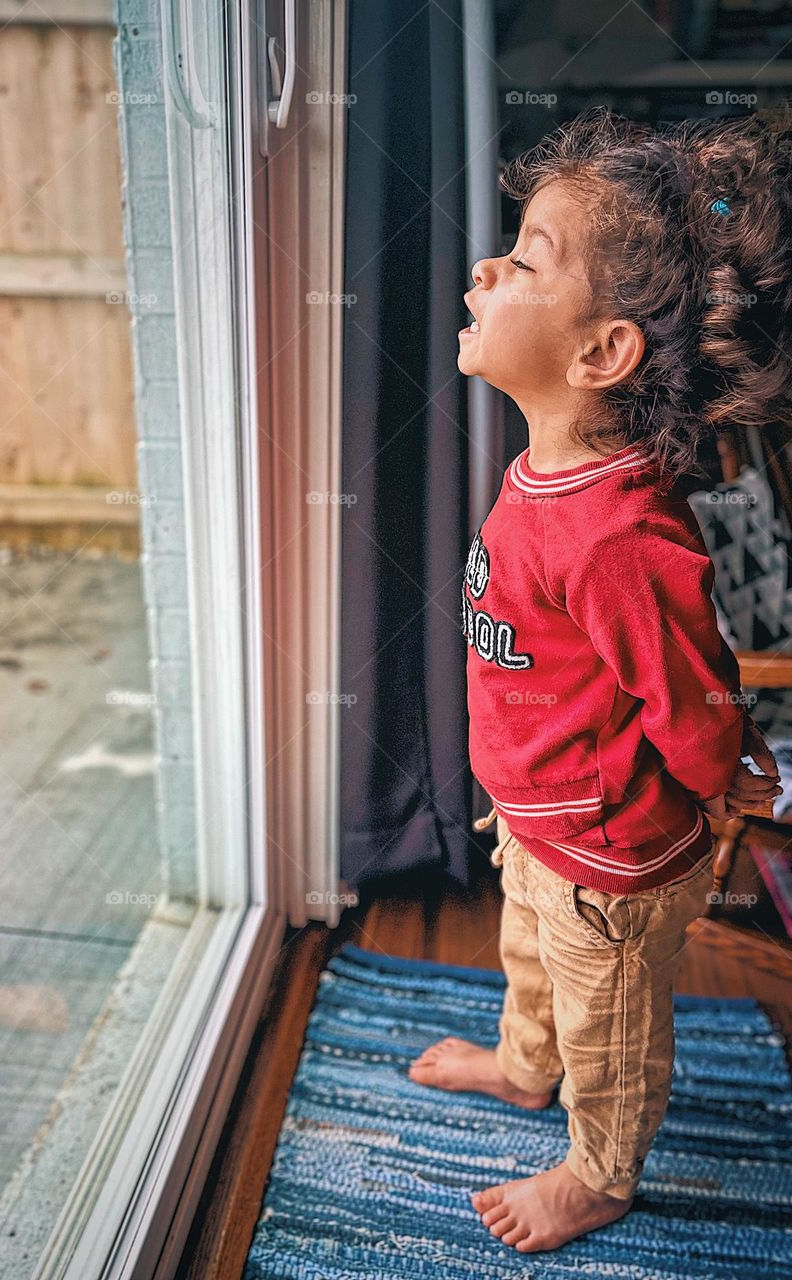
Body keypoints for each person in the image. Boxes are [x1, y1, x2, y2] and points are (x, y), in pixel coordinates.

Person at [409, 106, 786, 1254]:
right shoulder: (550, 468)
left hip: (614, 859)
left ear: (601, 352)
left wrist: (722, 776)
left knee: (610, 1023)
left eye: (525, 257)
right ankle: (528, 1069)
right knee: (531, 961)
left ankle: (600, 1168)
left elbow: (694, 689)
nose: (487, 265)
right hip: (538, 821)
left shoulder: (623, 533)